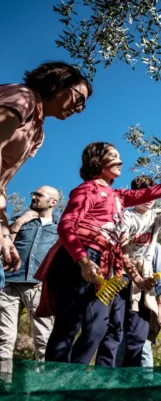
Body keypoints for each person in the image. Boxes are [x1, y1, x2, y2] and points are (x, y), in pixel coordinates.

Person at [35, 142, 161, 364]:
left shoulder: (119, 196)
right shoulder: (87, 190)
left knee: (98, 327)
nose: (121, 161)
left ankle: (70, 378)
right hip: (77, 259)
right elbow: (66, 225)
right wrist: (83, 261)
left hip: (104, 266)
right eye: (114, 156)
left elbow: (154, 191)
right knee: (68, 325)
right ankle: (54, 384)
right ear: (98, 162)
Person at [0, 62, 91, 282]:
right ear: (57, 84)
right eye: (79, 99)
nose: (79, 109)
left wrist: (4, 236)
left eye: (84, 106)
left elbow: (2, 184)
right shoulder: (23, 97)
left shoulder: (38, 135)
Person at [96, 175, 161, 367]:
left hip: (145, 282)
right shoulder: (126, 217)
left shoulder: (157, 217)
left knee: (138, 334)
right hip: (121, 279)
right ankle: (104, 381)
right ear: (135, 195)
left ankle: (133, 385)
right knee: (114, 330)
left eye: (153, 194)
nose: (150, 199)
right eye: (145, 194)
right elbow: (123, 253)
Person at [0, 187, 60, 362]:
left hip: (39, 289)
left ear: (53, 202)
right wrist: (19, 223)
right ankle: (3, 386)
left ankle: (43, 387)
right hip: (9, 286)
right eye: (33, 193)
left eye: (39, 195)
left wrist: (49, 283)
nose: (34, 197)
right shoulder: (16, 221)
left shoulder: (59, 230)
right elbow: (3, 243)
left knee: (44, 341)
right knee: (4, 339)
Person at [114, 242, 161, 368]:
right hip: (121, 298)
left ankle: (145, 384)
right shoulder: (124, 244)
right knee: (119, 346)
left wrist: (160, 306)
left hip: (144, 302)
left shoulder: (155, 247)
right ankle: (117, 383)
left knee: (143, 347)